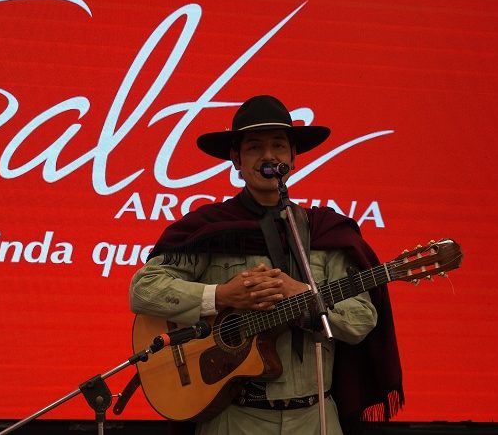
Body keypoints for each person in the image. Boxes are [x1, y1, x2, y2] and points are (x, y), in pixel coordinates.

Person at [129, 95, 402, 435]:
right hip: (235, 418)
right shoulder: (210, 228)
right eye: (255, 147)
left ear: (293, 158)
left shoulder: (325, 231)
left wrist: (302, 294)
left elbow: (362, 320)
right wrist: (221, 295)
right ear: (237, 160)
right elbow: (143, 290)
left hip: (316, 417)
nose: (269, 156)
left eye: (278, 146)